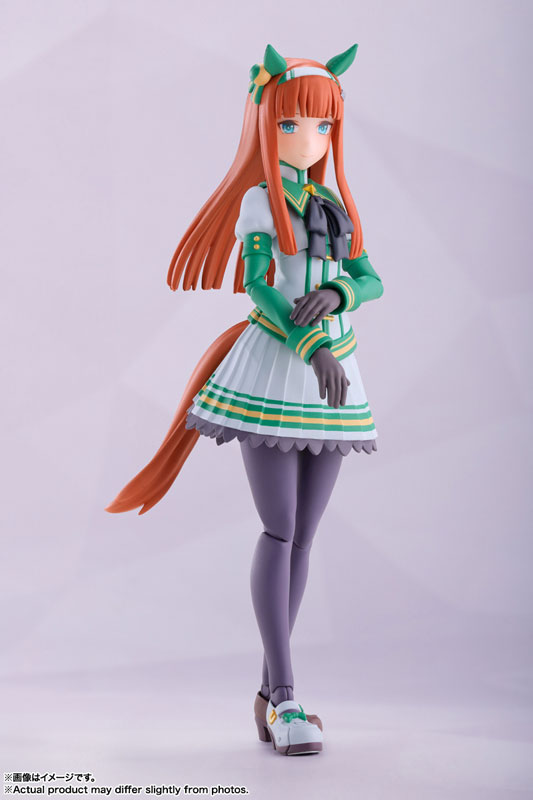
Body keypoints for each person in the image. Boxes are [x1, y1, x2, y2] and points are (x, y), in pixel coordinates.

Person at [106, 43, 384, 756]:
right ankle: (285, 695)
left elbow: (371, 278)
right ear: (266, 124)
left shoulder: (333, 202)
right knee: (280, 531)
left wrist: (340, 293)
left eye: (322, 125)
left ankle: (271, 696)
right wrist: (311, 343)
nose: (309, 139)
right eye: (292, 124)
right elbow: (259, 286)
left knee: (304, 537)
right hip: (278, 369)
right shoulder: (263, 200)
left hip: (336, 371)